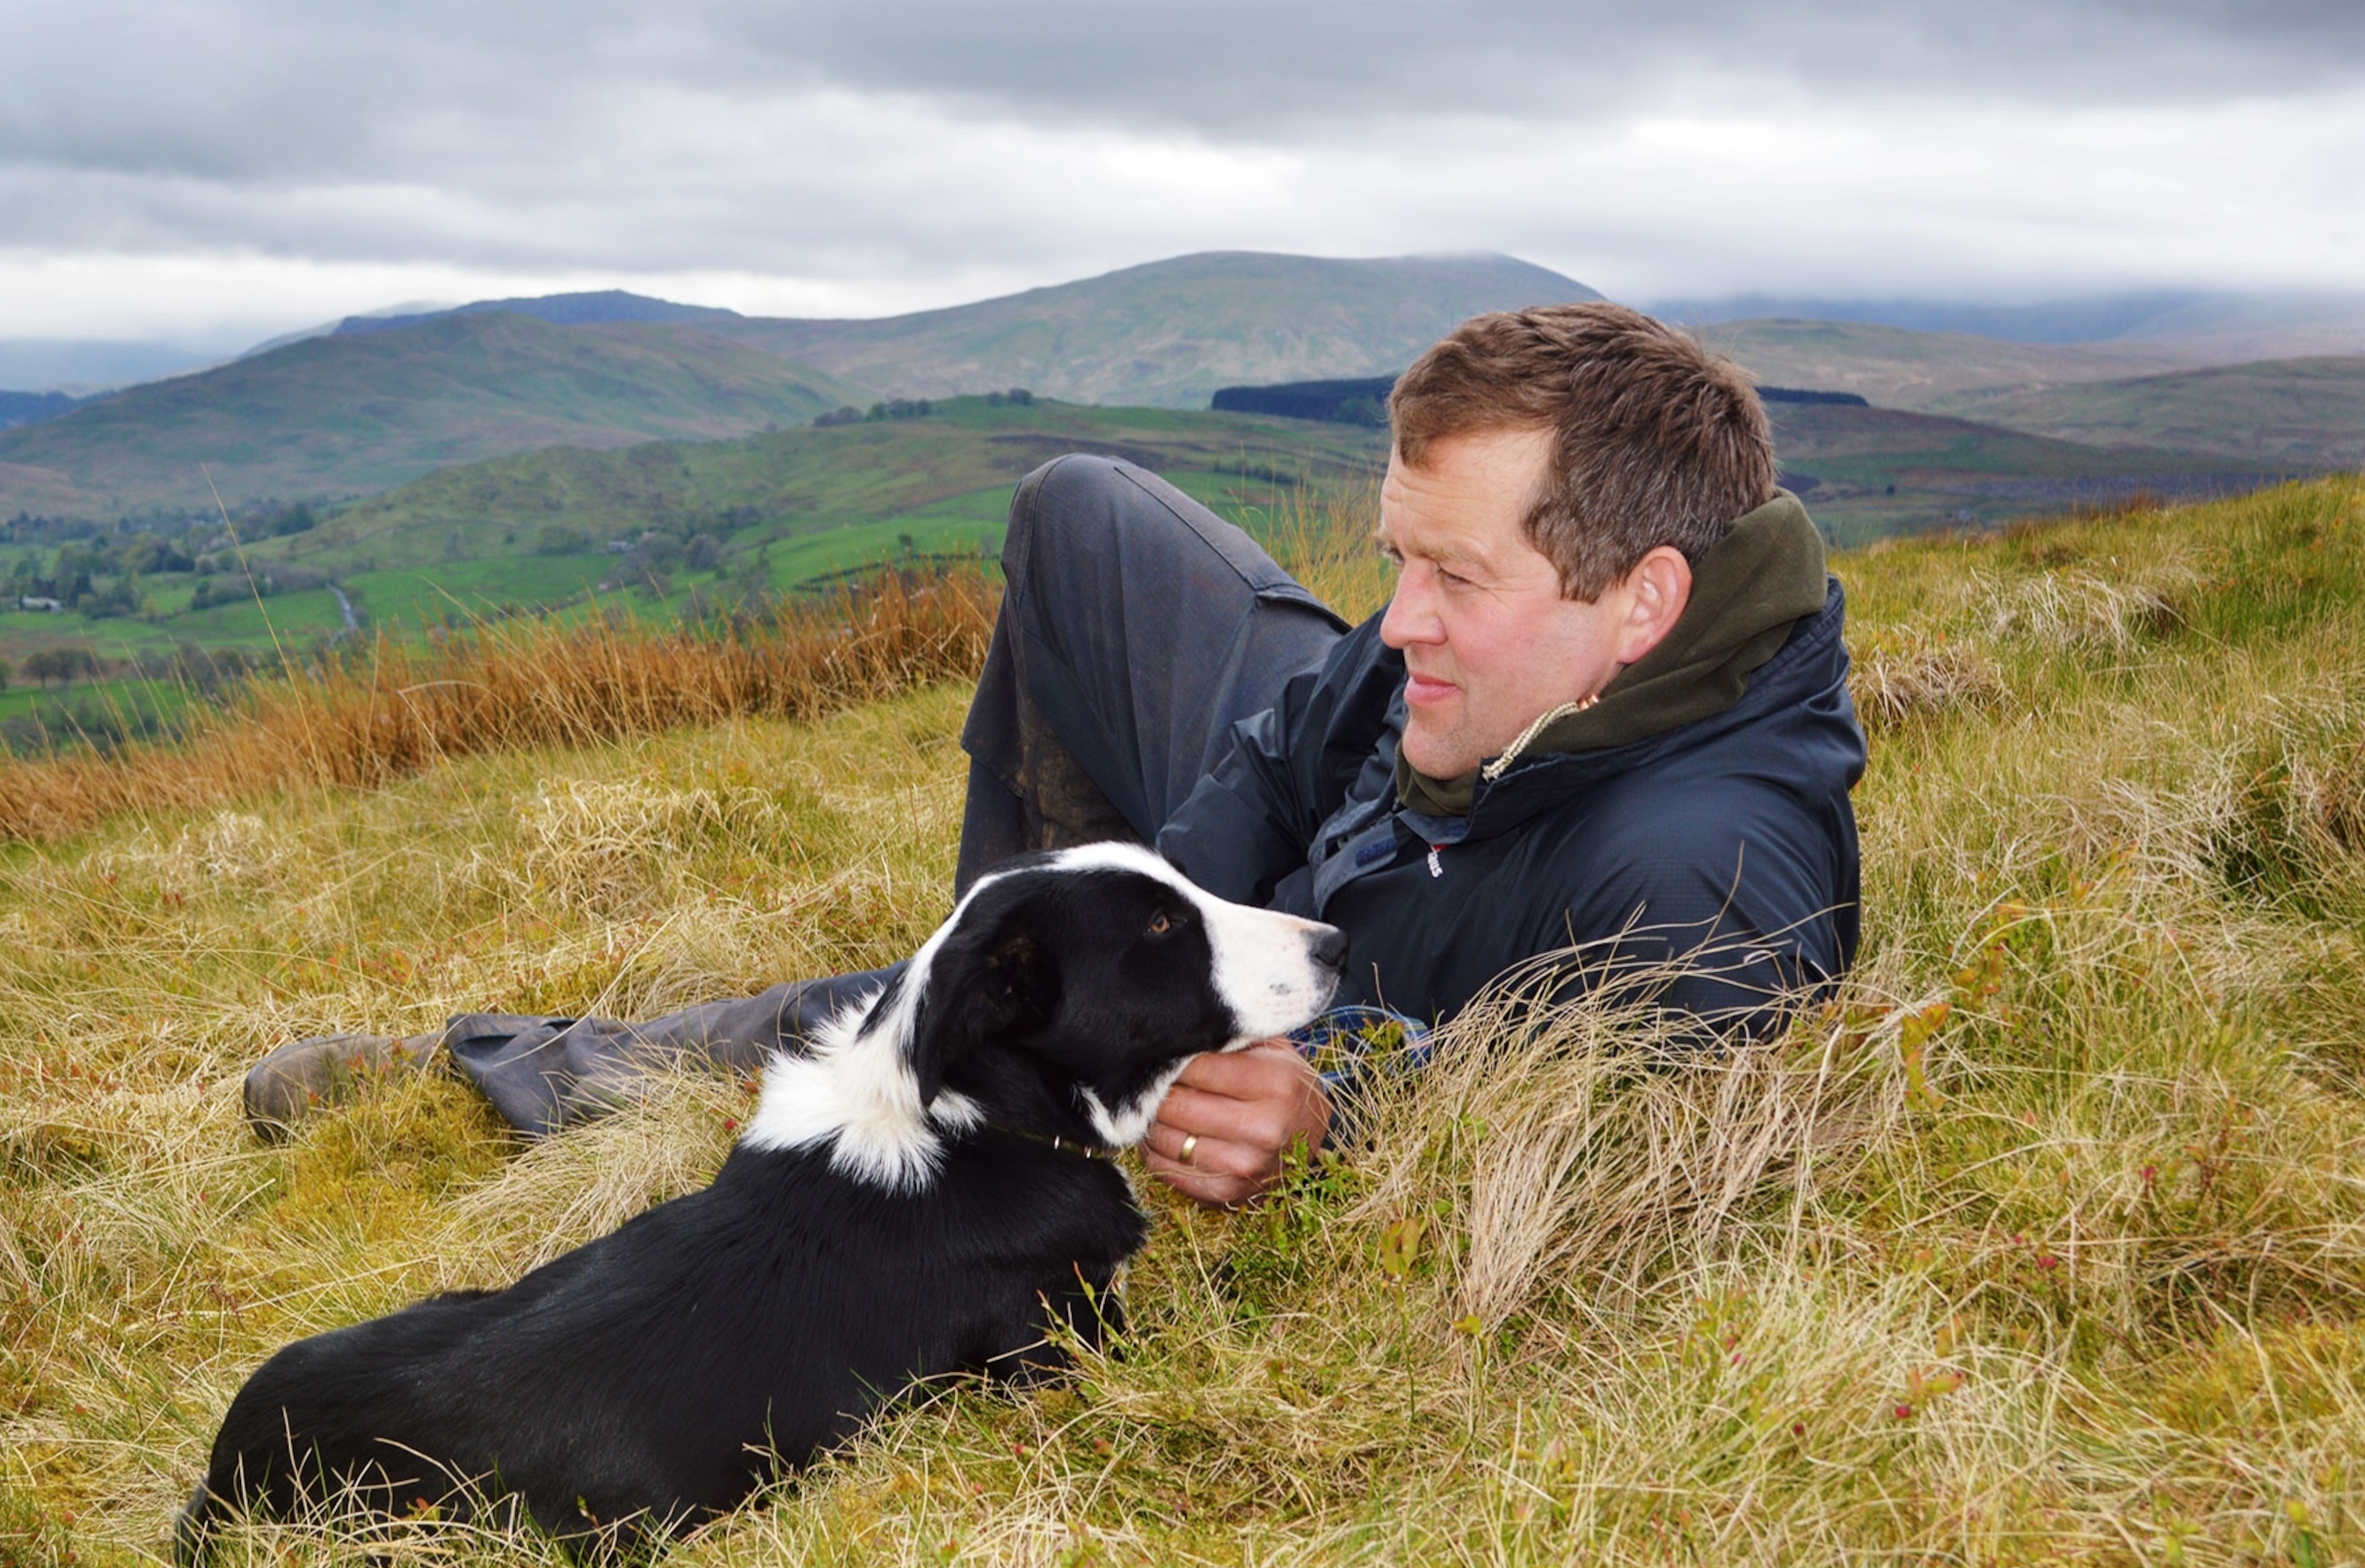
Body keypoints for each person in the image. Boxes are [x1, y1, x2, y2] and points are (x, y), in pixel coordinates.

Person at [244, 301, 1867, 1208]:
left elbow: (1621, 1131)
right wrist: (1134, 920)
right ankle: (1000, 1021)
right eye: (1397, 558)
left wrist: (1340, 1107)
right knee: (1083, 515)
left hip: (1338, 997)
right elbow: (1290, 755)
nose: (1399, 620)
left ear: (1644, 600)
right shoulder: (1475, 657)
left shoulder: (1699, 868)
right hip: (1285, 899)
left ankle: (529, 1075)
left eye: (1453, 576)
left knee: (974, 1013)